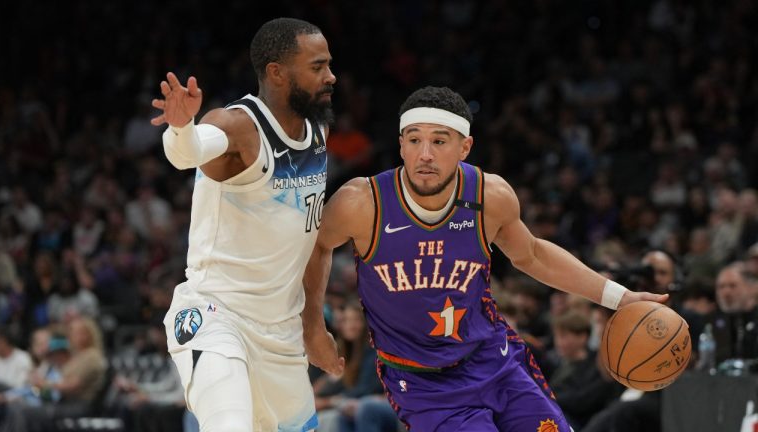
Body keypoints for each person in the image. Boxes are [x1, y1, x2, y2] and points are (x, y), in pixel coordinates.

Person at [303, 86, 666, 431]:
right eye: (414, 140)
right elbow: (315, 248)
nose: (424, 154)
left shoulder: (489, 196)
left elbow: (534, 254)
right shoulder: (362, 202)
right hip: (424, 383)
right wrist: (313, 329)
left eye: (439, 141)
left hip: (492, 359)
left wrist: (621, 298)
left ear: (465, 147)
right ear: (401, 145)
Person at [150, 17, 336, 432]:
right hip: (218, 317)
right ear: (277, 72)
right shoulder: (239, 125)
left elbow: (309, 239)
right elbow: (189, 152)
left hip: (282, 335)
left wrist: (313, 325)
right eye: (317, 67)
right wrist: (182, 127)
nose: (331, 76)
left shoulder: (317, 132)